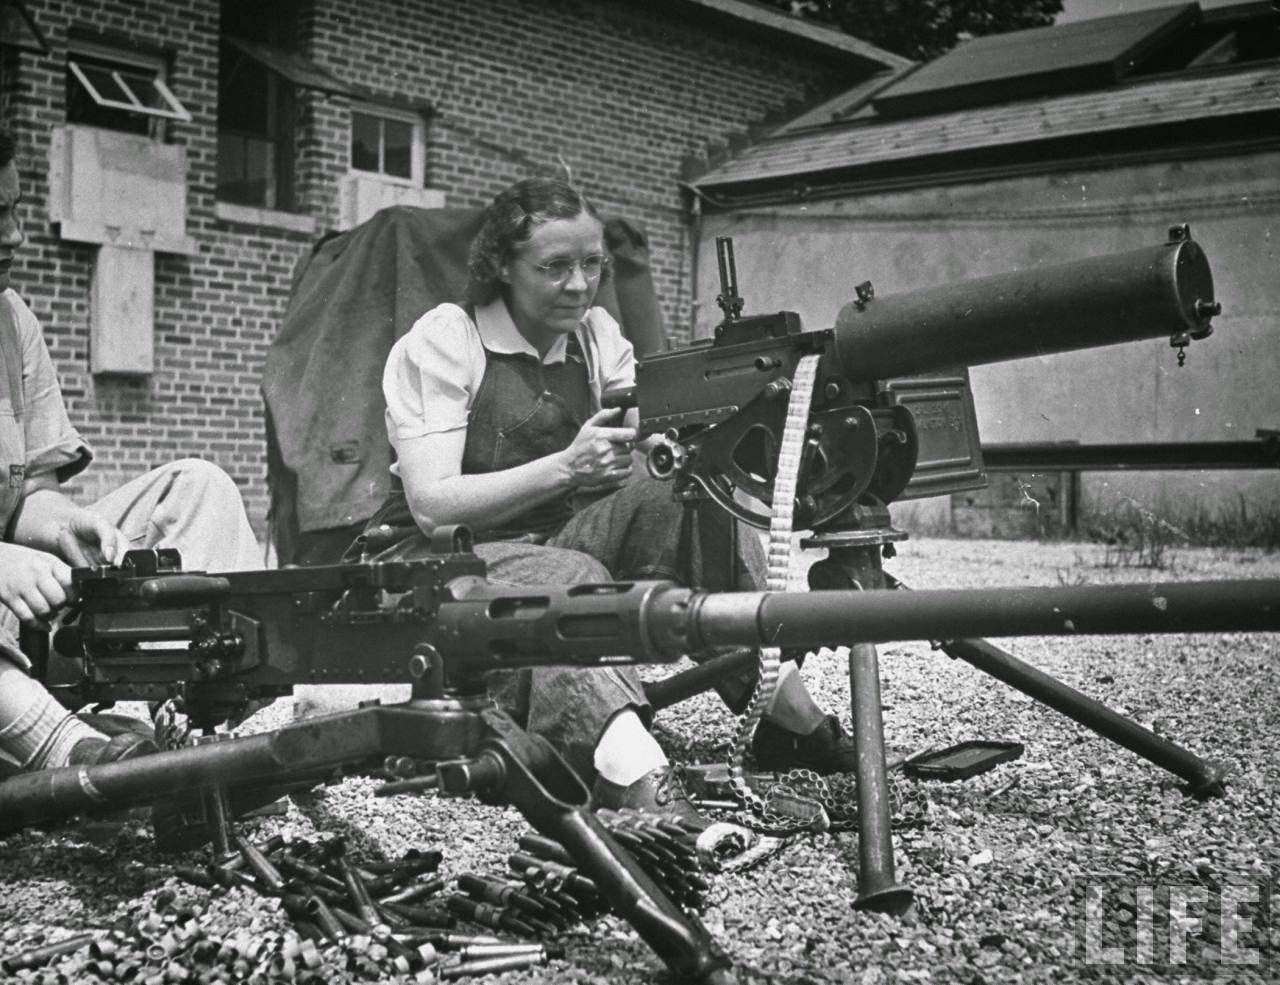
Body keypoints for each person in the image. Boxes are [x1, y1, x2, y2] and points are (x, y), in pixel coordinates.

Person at [360, 177, 859, 822]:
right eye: (555, 267)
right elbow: (434, 507)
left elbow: (659, 429)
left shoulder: (595, 336)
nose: (578, 285)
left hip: (548, 542)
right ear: (502, 266)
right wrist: (567, 468)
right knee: (575, 580)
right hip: (437, 565)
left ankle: (783, 713)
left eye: (592, 264)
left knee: (690, 495)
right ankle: (629, 770)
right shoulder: (446, 341)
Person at [0, 122, 264, 778]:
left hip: (15, 598)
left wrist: (62, 522)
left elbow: (26, 492)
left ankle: (205, 710)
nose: (15, 235)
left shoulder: (11, 320)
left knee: (197, 486)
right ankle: (75, 754)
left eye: (15, 208)